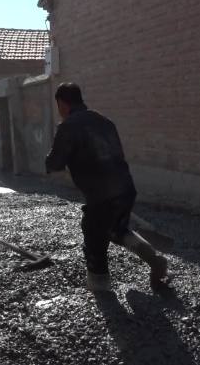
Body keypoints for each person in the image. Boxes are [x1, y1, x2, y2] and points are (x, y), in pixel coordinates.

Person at [46, 83, 169, 292]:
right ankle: (154, 258)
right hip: (126, 189)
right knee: (116, 229)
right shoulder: (105, 121)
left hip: (101, 195)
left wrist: (53, 157)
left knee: (93, 234)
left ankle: (100, 285)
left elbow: (55, 163)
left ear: (62, 103)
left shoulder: (68, 126)